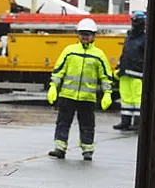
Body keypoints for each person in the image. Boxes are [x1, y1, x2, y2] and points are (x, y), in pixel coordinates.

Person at [47, 18, 113, 161]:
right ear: (78, 34)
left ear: (94, 36)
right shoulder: (69, 51)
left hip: (87, 98)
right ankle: (60, 148)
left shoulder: (98, 55)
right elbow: (59, 71)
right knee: (63, 123)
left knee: (87, 125)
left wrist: (107, 93)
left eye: (88, 34)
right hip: (67, 96)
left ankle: (87, 150)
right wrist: (53, 86)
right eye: (82, 33)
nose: (85, 36)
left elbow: (106, 76)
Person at [113, 11, 146, 132]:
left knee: (138, 99)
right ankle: (125, 121)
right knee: (126, 98)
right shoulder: (129, 37)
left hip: (138, 73)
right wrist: (119, 67)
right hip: (125, 72)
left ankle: (138, 123)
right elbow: (125, 53)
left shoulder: (145, 38)